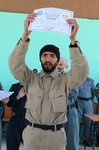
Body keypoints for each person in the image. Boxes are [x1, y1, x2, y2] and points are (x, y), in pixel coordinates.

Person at [8, 13, 89, 150]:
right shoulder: (30, 78)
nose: (48, 59)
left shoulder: (65, 81)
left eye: (52, 56)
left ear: (57, 60)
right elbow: (15, 64)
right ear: (41, 59)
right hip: (32, 134)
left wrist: (73, 41)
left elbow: (82, 72)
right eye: (45, 55)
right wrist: (25, 36)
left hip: (55, 136)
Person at [57, 57, 79, 150]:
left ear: (66, 66)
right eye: (57, 64)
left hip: (69, 112)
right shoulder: (51, 78)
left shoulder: (72, 78)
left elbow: (73, 94)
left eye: (61, 65)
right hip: (55, 113)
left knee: (71, 140)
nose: (58, 67)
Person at [6, 82, 28, 150]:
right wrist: (18, 97)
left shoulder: (34, 87)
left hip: (29, 121)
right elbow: (9, 104)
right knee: (12, 145)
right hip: (15, 120)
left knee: (31, 146)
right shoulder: (14, 87)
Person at [78, 77, 95, 146]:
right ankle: (76, 139)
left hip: (88, 102)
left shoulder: (91, 81)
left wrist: (91, 103)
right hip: (79, 102)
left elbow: (93, 92)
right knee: (76, 122)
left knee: (88, 122)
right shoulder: (77, 80)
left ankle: (86, 139)